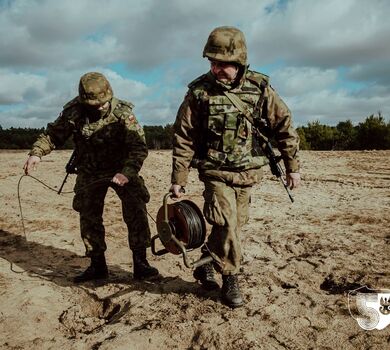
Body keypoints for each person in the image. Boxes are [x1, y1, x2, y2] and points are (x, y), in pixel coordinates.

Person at [170, 27, 300, 308]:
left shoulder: (260, 88)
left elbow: (284, 126)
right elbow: (183, 135)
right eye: (211, 63)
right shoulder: (199, 93)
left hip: (247, 173)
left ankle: (205, 260)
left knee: (234, 227)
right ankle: (230, 278)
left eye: (222, 64)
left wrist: (292, 166)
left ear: (240, 62)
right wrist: (179, 177)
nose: (216, 69)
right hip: (215, 173)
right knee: (227, 223)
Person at [24, 72, 159, 283]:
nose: (101, 108)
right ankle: (97, 265)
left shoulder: (123, 113)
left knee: (136, 209)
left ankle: (141, 263)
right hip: (89, 170)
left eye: (103, 103)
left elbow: (138, 148)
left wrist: (127, 172)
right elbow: (53, 135)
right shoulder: (74, 112)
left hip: (122, 169)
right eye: (95, 105)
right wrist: (36, 153)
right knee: (88, 215)